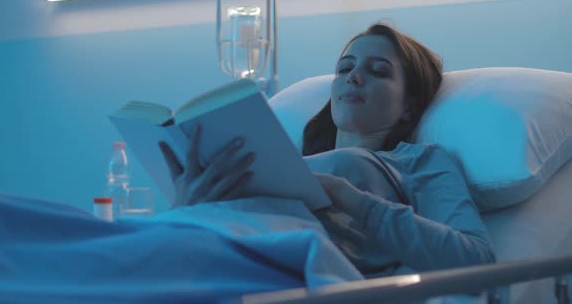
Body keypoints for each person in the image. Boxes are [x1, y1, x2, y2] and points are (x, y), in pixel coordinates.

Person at [158, 22, 496, 277]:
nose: (353, 77)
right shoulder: (286, 160)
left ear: (408, 107)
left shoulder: (420, 162)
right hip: (213, 261)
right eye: (345, 69)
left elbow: (475, 260)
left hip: (281, 280)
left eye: (377, 71)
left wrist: (348, 195)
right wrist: (187, 208)